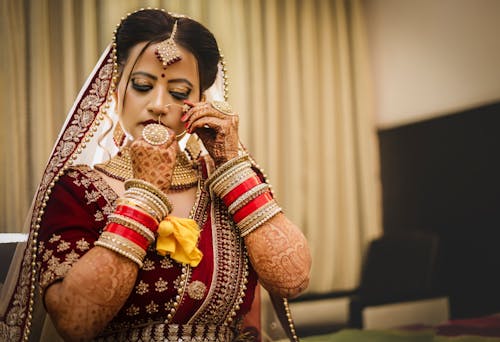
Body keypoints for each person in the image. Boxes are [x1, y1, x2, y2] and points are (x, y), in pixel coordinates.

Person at [0, 8, 311, 341]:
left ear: (200, 103)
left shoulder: (231, 183)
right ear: (115, 95)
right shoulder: (77, 189)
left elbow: (292, 280)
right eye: (142, 86)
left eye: (178, 93)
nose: (159, 105)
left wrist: (231, 165)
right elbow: (74, 322)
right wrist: (146, 193)